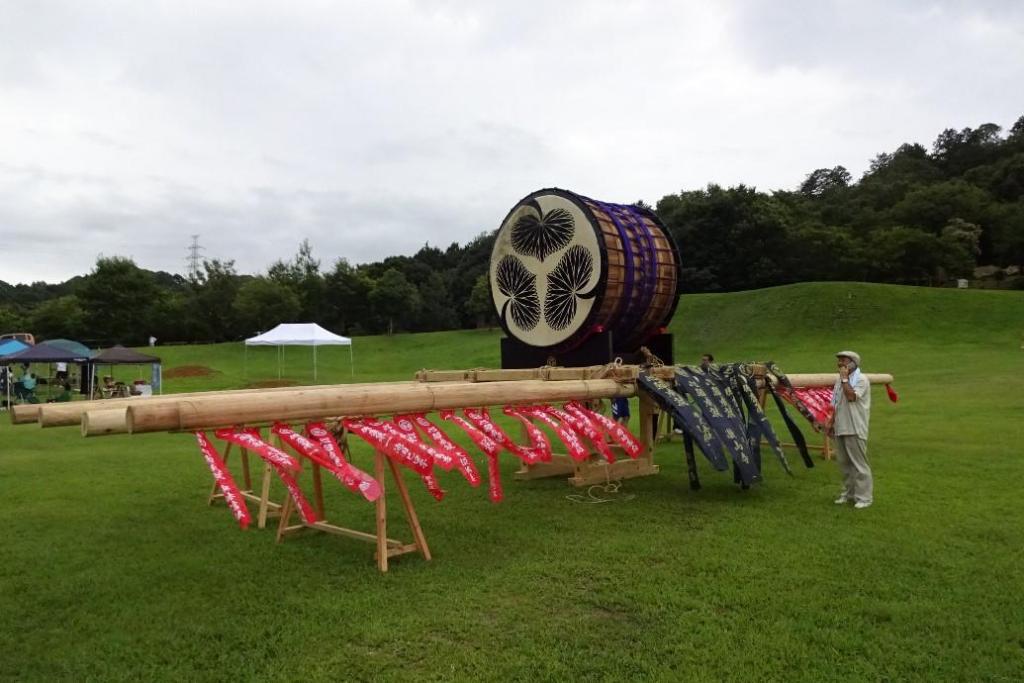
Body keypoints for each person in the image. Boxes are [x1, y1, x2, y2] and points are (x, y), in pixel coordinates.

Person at [826, 350, 872, 509]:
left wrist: (845, 379)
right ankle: (848, 494)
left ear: (853, 363)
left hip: (855, 426)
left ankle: (864, 498)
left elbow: (851, 397)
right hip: (840, 426)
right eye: (839, 360)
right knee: (845, 464)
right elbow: (836, 403)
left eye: (843, 360)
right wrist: (830, 422)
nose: (839, 364)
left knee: (859, 465)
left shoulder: (861, 379)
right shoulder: (839, 381)